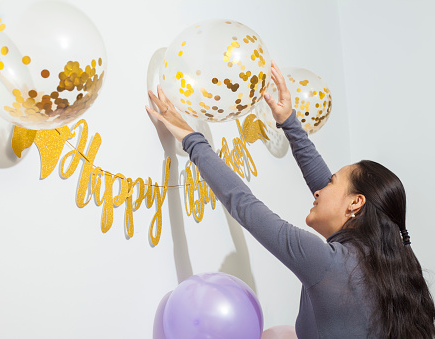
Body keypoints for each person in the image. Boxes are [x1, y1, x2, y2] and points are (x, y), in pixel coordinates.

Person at [145, 60, 435, 338]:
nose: (319, 189)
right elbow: (328, 191)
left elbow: (244, 205)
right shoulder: (388, 266)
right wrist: (289, 122)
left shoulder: (329, 264)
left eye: (332, 182)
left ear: (356, 204)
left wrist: (191, 139)